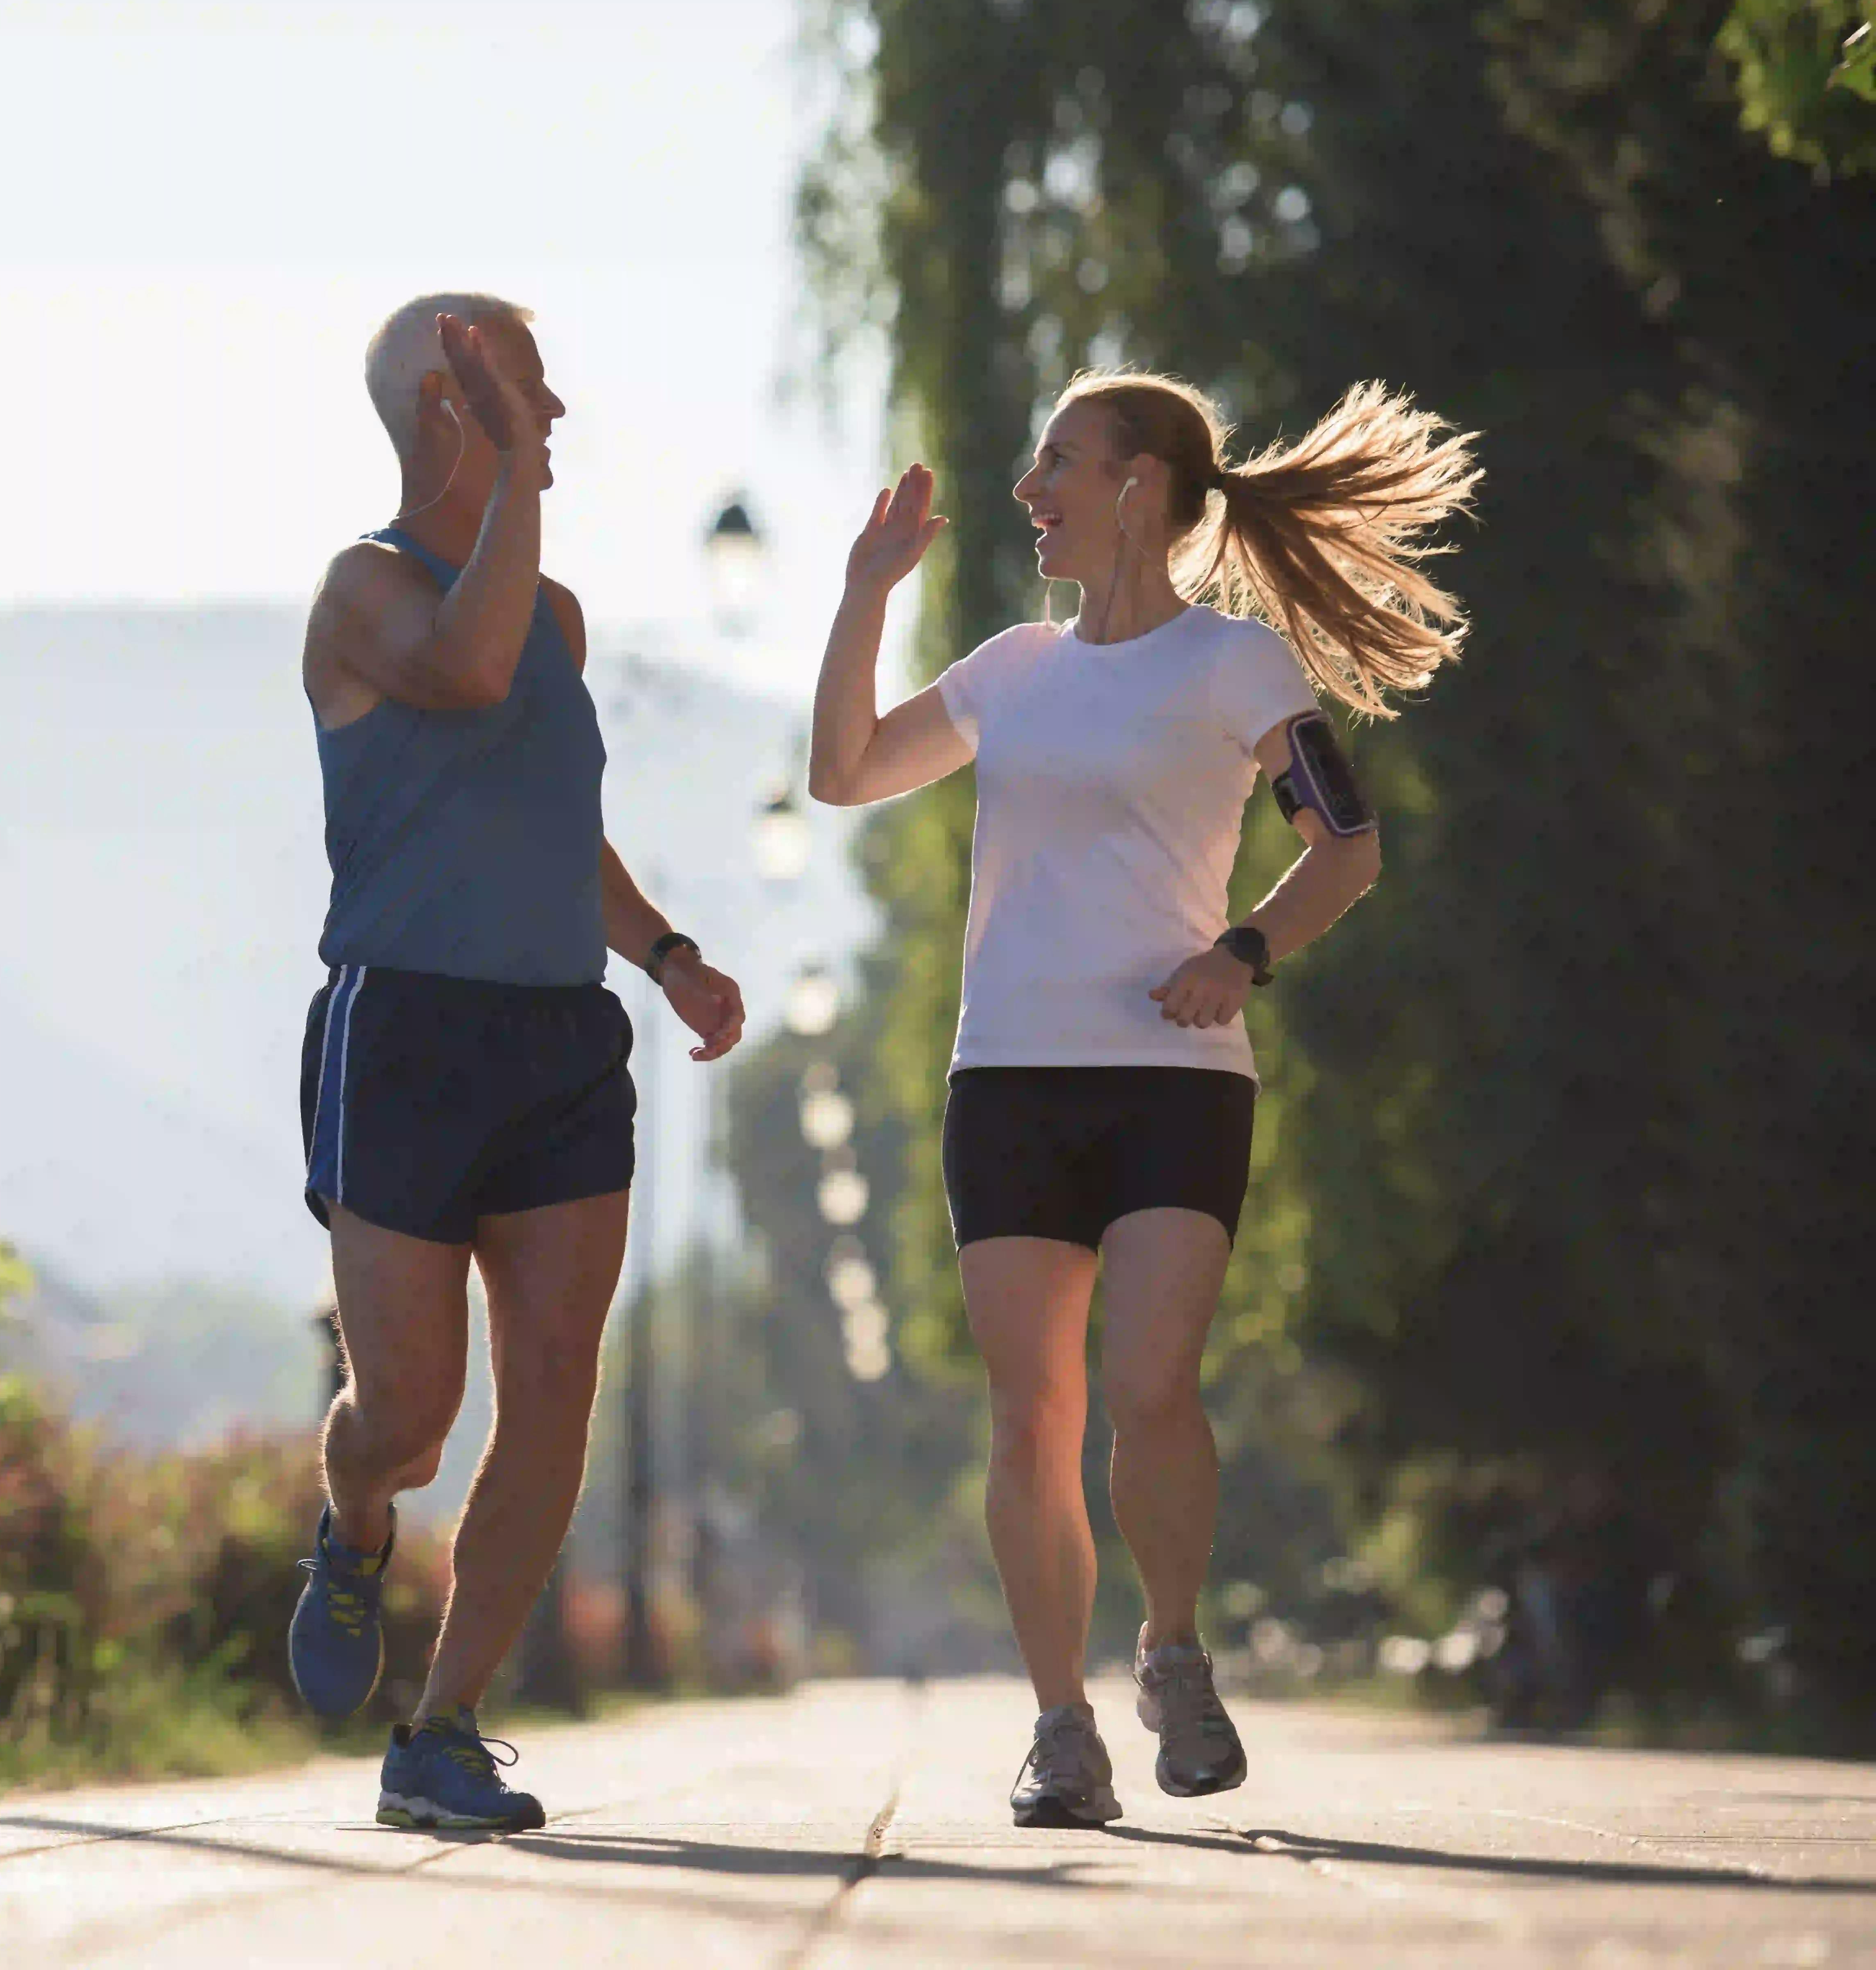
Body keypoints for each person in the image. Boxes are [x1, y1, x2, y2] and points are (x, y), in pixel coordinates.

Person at [805, 370, 1479, 1826]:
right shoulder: (1009, 669)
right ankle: (1060, 1728)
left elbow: (1345, 849)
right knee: (1032, 1410)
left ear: (1140, 484)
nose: (1029, 486)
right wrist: (865, 594)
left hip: (1176, 1075)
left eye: (1058, 459)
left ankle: (1172, 1653)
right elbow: (847, 772)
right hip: (1009, 1078)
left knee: (1151, 1388)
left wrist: (1242, 951)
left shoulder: (1235, 668)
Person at [287, 292, 746, 1832]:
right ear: (444, 403)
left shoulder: (557, 614)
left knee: (554, 1385)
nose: (553, 402)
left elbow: (556, 818)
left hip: (559, 1038)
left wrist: (668, 953)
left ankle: (443, 1727)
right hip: (404, 1028)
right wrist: (524, 487)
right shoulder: (364, 591)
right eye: (518, 379)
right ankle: (352, 1522)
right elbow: (466, 675)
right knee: (410, 1415)